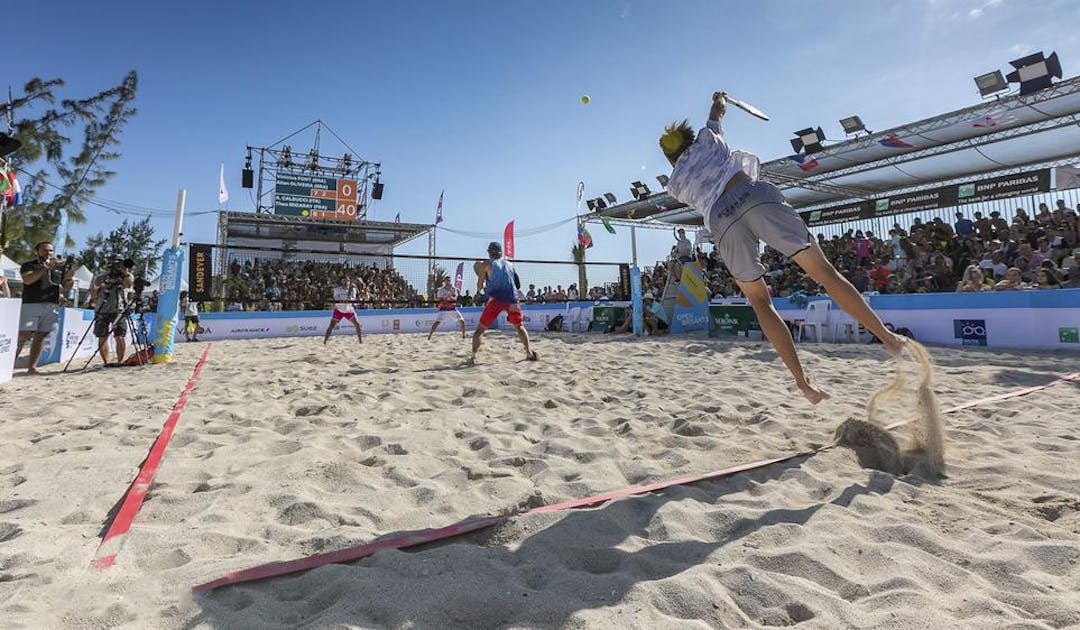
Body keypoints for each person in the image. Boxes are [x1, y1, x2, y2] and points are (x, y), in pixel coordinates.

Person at [660, 92, 906, 403]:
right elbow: (717, 111)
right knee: (825, 274)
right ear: (691, 138)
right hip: (752, 196)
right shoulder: (708, 139)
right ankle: (888, 339)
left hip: (722, 222)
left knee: (761, 303)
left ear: (670, 159)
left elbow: (691, 173)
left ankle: (803, 384)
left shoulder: (675, 183)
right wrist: (719, 99)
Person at [470, 242, 537, 364]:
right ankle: (529, 352)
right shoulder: (510, 265)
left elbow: (479, 286)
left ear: (489, 252)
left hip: (496, 299)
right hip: (512, 299)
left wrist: (482, 289)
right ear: (501, 252)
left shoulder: (486, 264)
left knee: (480, 330)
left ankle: (473, 357)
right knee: (520, 327)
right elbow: (517, 284)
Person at [15, 242, 75, 374]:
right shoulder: (29, 265)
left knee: (41, 335)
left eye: (51, 251)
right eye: (45, 250)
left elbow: (66, 287)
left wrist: (70, 277)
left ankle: (32, 367)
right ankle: (8, 361)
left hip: (51, 305)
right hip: (31, 303)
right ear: (37, 251)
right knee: (23, 334)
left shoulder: (59, 268)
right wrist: (45, 267)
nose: (49, 253)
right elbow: (28, 280)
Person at [89, 261, 136, 366]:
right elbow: (94, 292)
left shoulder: (126, 276)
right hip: (102, 309)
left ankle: (120, 361)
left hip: (119, 309)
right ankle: (106, 362)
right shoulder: (101, 277)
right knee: (102, 336)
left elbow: (129, 284)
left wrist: (124, 271)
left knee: (120, 336)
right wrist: (98, 288)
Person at [323, 280, 362, 344]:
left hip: (348, 310)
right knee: (331, 326)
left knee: (357, 325)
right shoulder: (337, 290)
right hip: (339, 309)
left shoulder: (352, 290)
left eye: (347, 281)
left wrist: (349, 299)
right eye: (344, 281)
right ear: (342, 282)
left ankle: (360, 341)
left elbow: (353, 298)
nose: (346, 282)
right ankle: (325, 342)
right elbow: (335, 298)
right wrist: (341, 300)